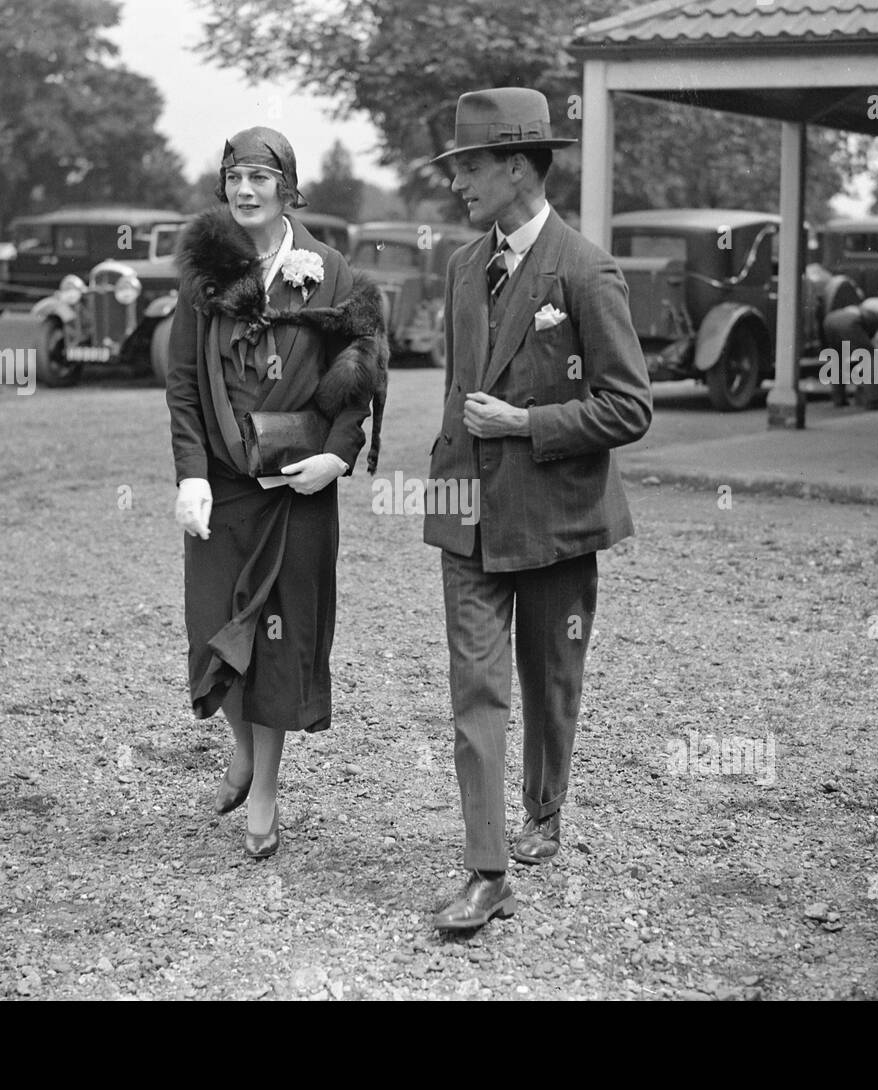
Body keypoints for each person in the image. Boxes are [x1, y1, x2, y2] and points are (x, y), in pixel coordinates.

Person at [423, 89, 653, 930]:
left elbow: (630, 408)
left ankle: (545, 811)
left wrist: (528, 423)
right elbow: (458, 389)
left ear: (517, 167)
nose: (459, 185)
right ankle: (487, 869)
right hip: (467, 518)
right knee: (475, 691)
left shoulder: (586, 270)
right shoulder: (459, 266)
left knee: (550, 682)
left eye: (470, 168)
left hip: (558, 520)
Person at [165, 126, 387, 859]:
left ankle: (264, 792)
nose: (247, 189)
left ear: (288, 188)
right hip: (226, 491)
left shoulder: (328, 269)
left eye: (262, 176)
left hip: (298, 491)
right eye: (235, 177)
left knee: (275, 646)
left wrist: (339, 457)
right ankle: (241, 750)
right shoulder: (204, 271)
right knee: (211, 636)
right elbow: (184, 385)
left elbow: (360, 369)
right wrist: (191, 472)